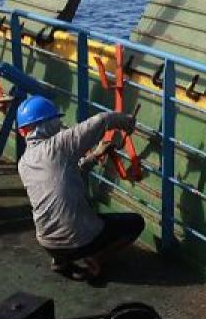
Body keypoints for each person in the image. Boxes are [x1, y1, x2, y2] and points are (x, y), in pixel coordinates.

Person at [15, 95, 144, 282]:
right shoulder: (58, 145)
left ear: (23, 131)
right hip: (79, 240)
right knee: (135, 223)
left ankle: (61, 260)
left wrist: (95, 155)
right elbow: (103, 120)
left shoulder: (24, 162)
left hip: (46, 241)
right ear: (48, 124)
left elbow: (65, 172)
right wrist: (126, 122)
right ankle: (95, 259)